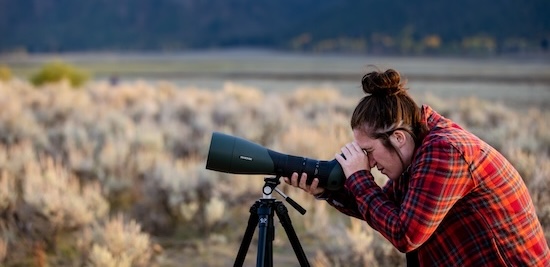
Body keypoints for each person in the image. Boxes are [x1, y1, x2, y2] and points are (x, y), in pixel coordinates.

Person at [284, 68, 550, 266]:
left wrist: (360, 177)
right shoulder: (416, 151)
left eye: (369, 152)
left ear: (397, 137)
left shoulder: (444, 152)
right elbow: (384, 210)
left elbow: (405, 234)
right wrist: (329, 189)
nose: (371, 163)